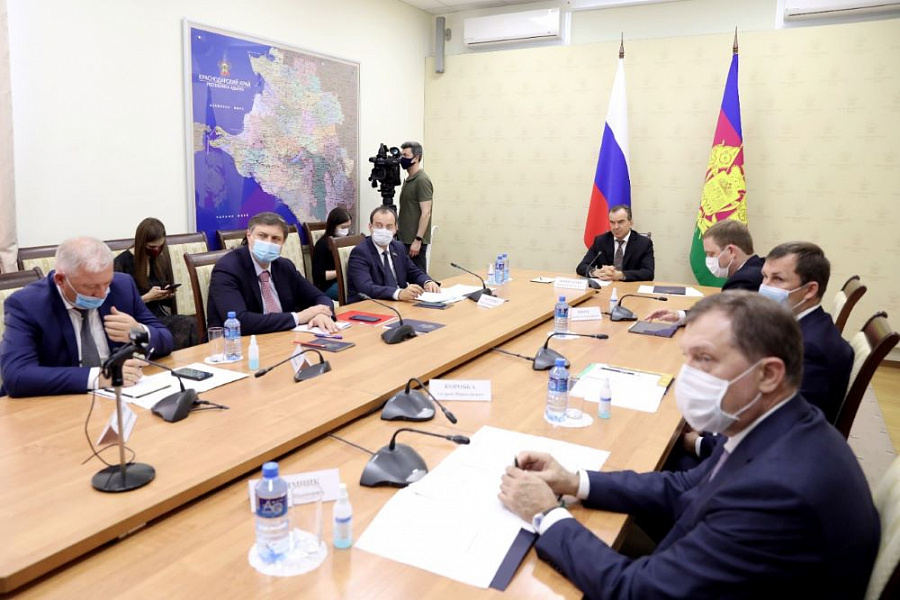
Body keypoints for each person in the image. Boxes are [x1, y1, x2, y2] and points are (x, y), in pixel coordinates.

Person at [498, 292, 879, 598]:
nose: (688, 376)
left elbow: (636, 591)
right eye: (688, 358)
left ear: (768, 374)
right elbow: (684, 486)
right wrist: (573, 481)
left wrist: (546, 515)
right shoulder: (779, 424)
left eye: (705, 359)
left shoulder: (776, 492)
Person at [0, 237, 174, 397]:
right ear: (60, 280)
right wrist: (100, 377)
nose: (102, 294)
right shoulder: (27, 305)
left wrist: (138, 333)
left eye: (106, 283)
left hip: (120, 397)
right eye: (91, 287)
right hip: (58, 402)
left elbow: (166, 339)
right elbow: (16, 376)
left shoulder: (122, 286)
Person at [760, 241, 853, 424]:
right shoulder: (805, 323)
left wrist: (705, 438)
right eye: (764, 276)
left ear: (810, 290)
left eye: (778, 279)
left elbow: (786, 422)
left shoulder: (810, 349)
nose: (765, 286)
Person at [207, 211, 338, 335]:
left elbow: (319, 297)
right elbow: (239, 321)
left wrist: (321, 314)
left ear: (283, 242)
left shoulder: (284, 266)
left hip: (283, 337)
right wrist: (298, 317)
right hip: (236, 343)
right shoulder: (228, 268)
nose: (268, 243)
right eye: (262, 236)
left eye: (275, 238)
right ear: (249, 236)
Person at [647, 219, 762, 324]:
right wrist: (680, 315)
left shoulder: (743, 281)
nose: (708, 260)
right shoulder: (758, 266)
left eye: (711, 254)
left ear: (731, 251)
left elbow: (721, 320)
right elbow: (718, 310)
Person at [113, 217, 199, 350]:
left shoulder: (157, 260)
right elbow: (119, 307)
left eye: (160, 246)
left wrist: (166, 294)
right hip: (136, 322)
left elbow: (162, 301)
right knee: (186, 325)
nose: (157, 250)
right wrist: (146, 298)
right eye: (152, 247)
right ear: (141, 243)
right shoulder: (121, 264)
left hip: (157, 317)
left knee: (192, 323)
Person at [346, 205, 440, 304]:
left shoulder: (398, 247)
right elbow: (366, 287)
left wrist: (427, 282)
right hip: (369, 306)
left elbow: (413, 272)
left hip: (398, 304)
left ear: (396, 228)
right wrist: (398, 293)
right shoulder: (360, 252)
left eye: (389, 227)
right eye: (379, 226)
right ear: (370, 227)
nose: (384, 230)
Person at [576, 204, 654, 281]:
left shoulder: (644, 243)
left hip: (630, 287)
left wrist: (621, 275)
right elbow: (581, 266)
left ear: (630, 223)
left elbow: (648, 273)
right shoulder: (601, 241)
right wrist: (596, 272)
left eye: (621, 222)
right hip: (605, 287)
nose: (616, 227)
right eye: (612, 222)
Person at [396, 141, 432, 271]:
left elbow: (426, 212)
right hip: (404, 239)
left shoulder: (422, 180)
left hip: (414, 242)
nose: (402, 159)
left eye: (405, 155)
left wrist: (418, 240)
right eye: (402, 155)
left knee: (418, 277)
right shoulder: (409, 179)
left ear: (416, 158)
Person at [311, 206, 352, 301]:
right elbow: (318, 276)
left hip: (345, 280)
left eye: (348, 227)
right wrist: (340, 272)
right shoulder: (322, 244)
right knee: (354, 292)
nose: (346, 230)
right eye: (343, 227)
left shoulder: (346, 241)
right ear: (333, 226)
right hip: (328, 286)